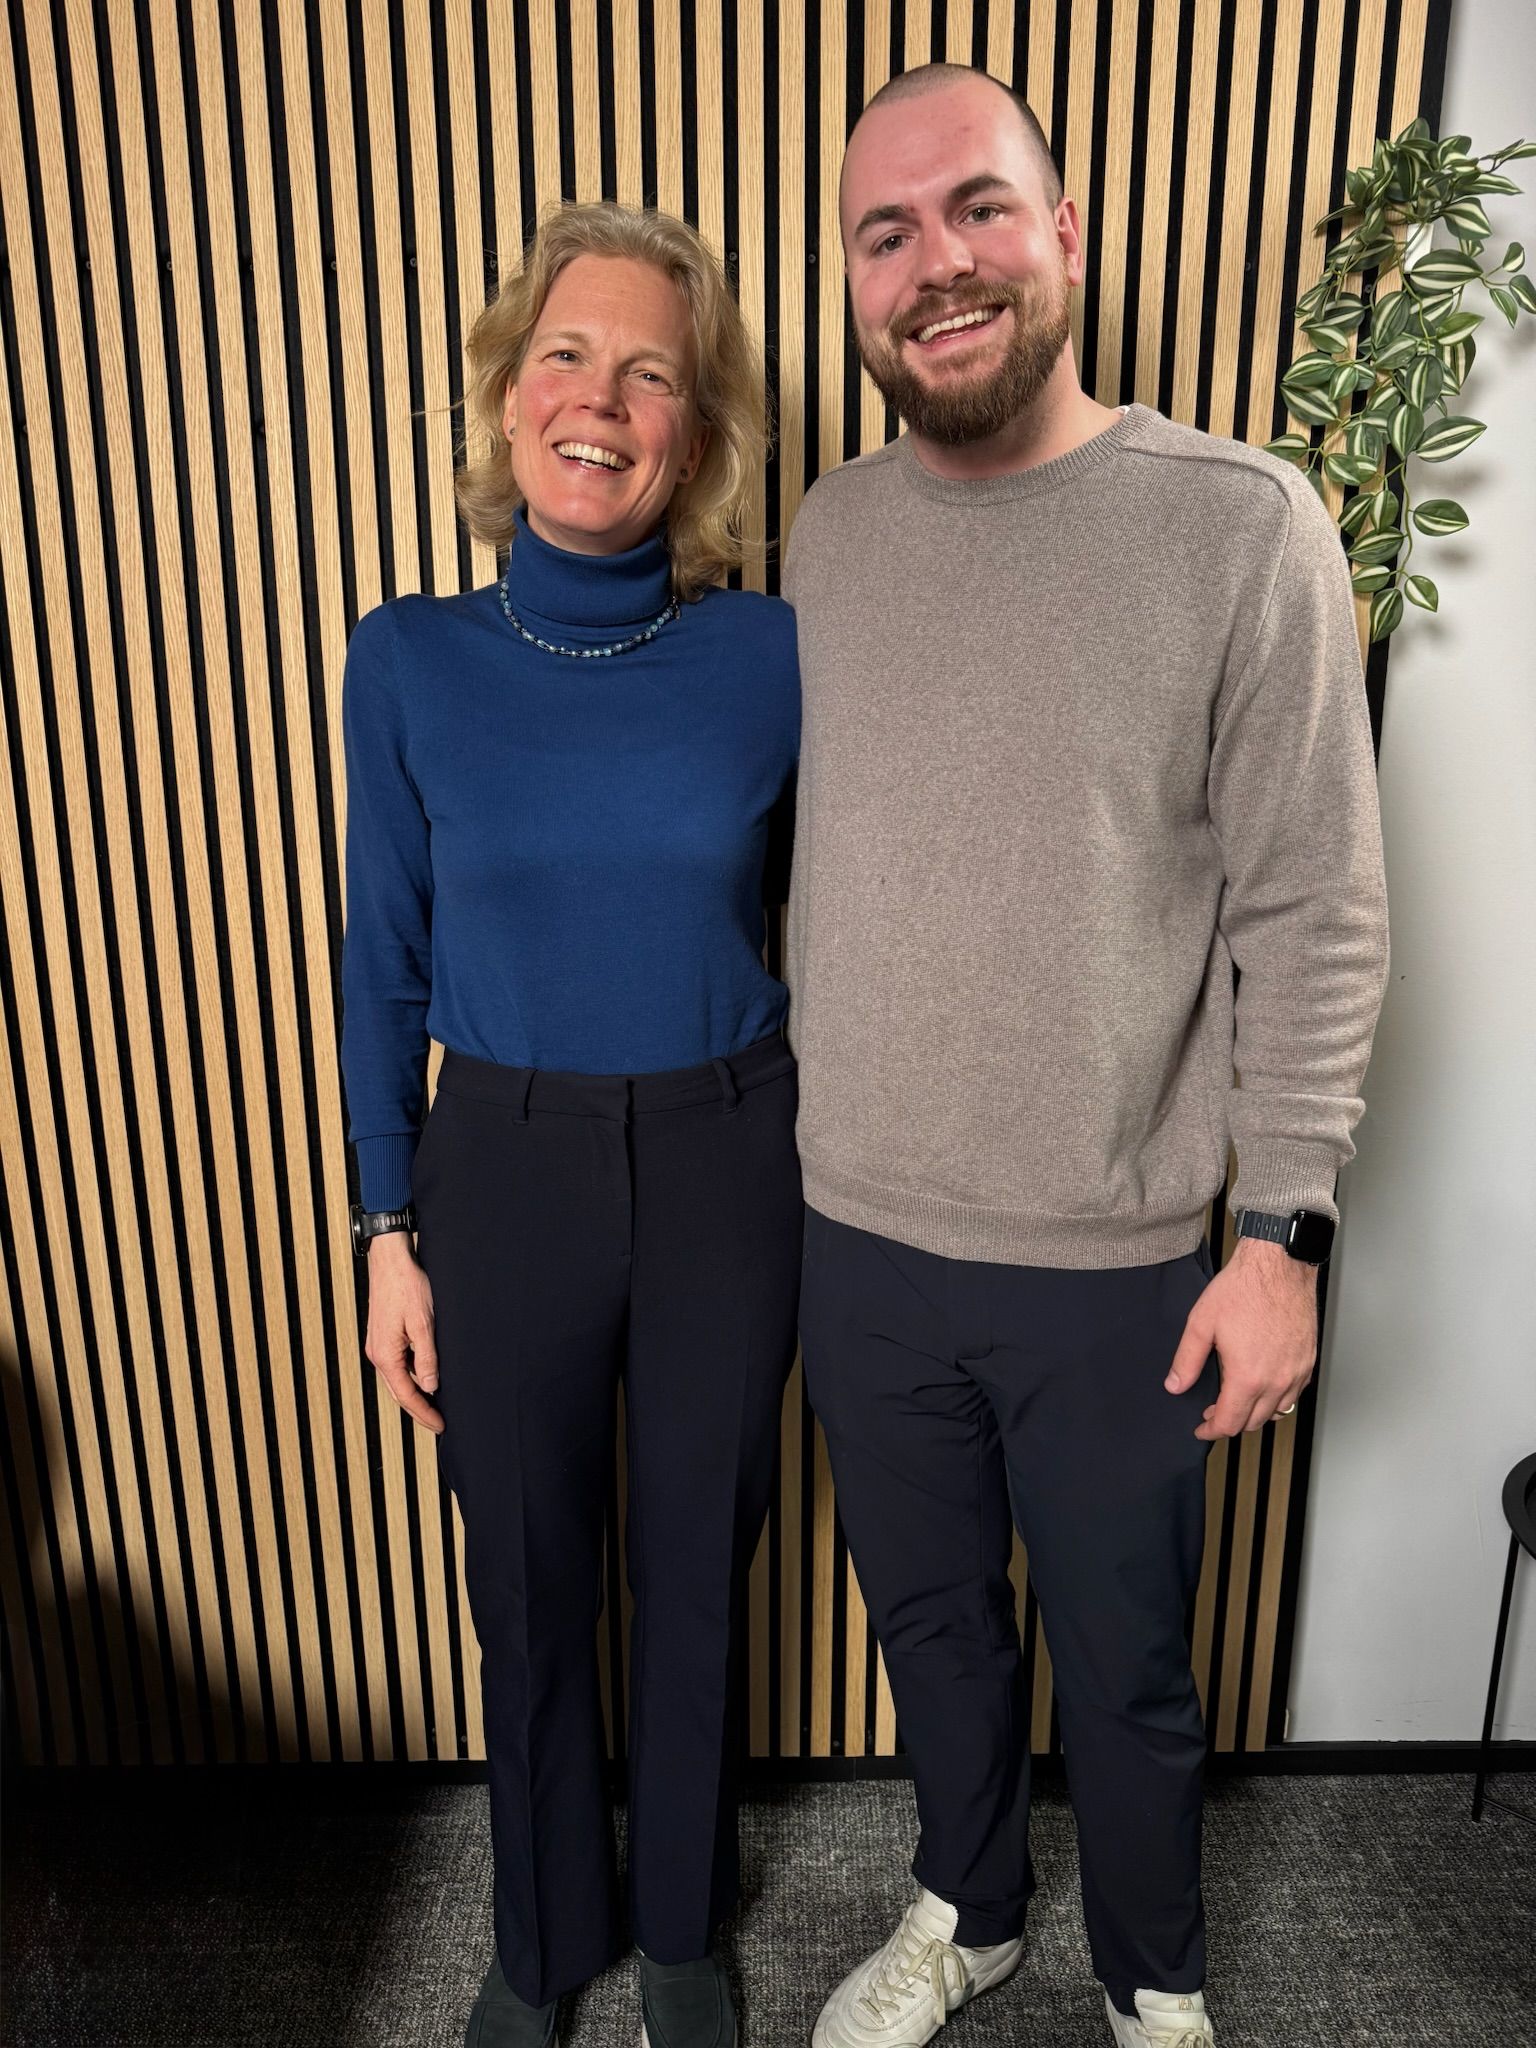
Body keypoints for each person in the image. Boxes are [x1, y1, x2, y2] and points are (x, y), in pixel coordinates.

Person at [784, 63, 1388, 2048]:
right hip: (859, 1236)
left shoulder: (1241, 522)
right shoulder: (826, 535)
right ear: (856, 286)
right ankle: (966, 1905)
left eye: (975, 209)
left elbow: (1315, 897)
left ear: (1064, 233)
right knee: (937, 1629)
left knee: (1129, 1667)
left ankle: (1157, 1977)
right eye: (885, 233)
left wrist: (1284, 1229)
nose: (934, 264)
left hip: (1121, 1251)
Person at [339, 202, 801, 2048]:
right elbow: (384, 952)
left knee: (698, 1564)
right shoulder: (408, 659)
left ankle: (681, 1927)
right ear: (506, 389)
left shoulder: (773, 654)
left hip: (727, 1154)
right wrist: (387, 1228)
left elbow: (855, 920)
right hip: (501, 1162)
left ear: (694, 433)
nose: (601, 400)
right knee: (523, 1575)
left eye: (652, 373)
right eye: (566, 355)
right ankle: (543, 1940)